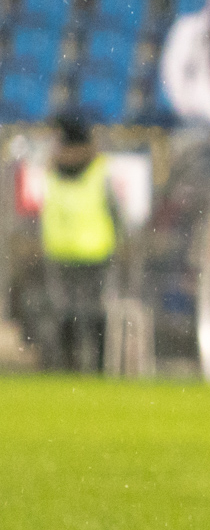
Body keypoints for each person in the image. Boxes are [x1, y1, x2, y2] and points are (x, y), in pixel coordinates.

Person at [39, 112, 117, 373]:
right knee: (93, 314)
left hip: (60, 251)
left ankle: (67, 369)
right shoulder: (99, 169)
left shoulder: (52, 171)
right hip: (95, 249)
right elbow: (115, 211)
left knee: (65, 314)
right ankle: (97, 369)